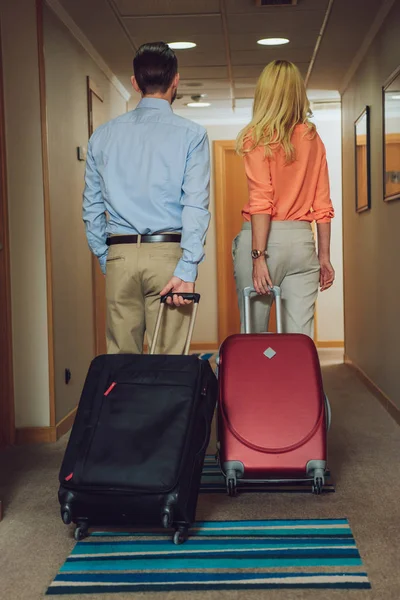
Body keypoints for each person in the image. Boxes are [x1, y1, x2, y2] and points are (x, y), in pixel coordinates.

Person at [82, 42, 211, 354]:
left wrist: (105, 255)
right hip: (168, 257)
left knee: (120, 363)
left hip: (119, 256)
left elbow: (92, 206)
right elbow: (196, 204)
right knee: (168, 362)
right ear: (175, 80)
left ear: (134, 83)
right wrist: (188, 266)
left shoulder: (102, 135)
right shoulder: (192, 134)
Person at [233, 59, 335, 337]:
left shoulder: (255, 138)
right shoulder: (314, 139)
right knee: (299, 341)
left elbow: (261, 200)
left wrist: (258, 256)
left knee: (254, 337)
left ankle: (256, 382)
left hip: (264, 241)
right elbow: (323, 206)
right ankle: (297, 382)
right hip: (302, 242)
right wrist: (324, 258)